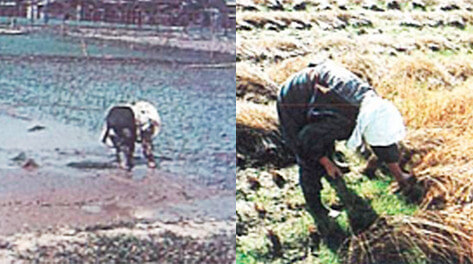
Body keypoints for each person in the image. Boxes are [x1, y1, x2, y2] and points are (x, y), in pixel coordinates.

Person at [276, 59, 415, 240]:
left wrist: (400, 176)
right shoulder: (342, 119)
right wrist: (325, 162)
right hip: (293, 100)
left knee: (325, 132)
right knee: (309, 158)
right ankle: (316, 207)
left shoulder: (374, 108)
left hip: (320, 98)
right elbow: (306, 140)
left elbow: (384, 143)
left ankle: (332, 164)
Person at [101, 101, 161, 170]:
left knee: (121, 142)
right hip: (126, 116)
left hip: (114, 113)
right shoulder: (150, 118)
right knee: (131, 142)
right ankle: (146, 162)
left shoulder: (143, 111)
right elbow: (146, 140)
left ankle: (122, 161)